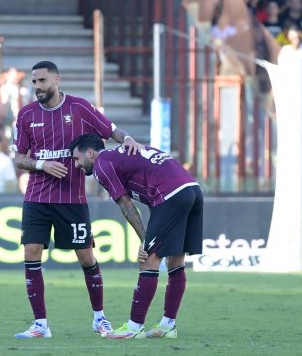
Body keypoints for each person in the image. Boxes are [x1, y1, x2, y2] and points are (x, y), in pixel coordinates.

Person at [12, 60, 143, 339]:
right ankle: (40, 325)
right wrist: (41, 166)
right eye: (34, 82)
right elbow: (19, 158)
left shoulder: (79, 108)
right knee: (31, 254)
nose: (37, 87)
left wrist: (128, 138)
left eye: (42, 81)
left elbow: (110, 131)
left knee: (86, 257)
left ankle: (99, 318)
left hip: (72, 197)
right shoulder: (25, 115)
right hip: (36, 197)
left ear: (57, 80)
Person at [69, 133, 203, 339]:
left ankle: (134, 327)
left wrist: (145, 240)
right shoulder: (121, 155)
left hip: (170, 195)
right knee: (176, 260)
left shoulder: (102, 165)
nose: (76, 165)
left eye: (77, 159)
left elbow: (126, 205)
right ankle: (168, 325)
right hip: (192, 190)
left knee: (148, 260)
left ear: (90, 153)